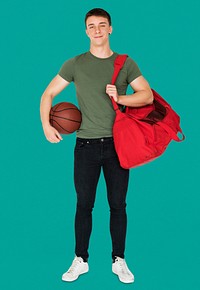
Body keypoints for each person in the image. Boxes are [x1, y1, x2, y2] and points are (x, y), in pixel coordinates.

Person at [40, 8, 153, 284]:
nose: (97, 30)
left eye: (102, 25)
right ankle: (81, 259)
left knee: (118, 204)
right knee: (84, 205)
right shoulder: (75, 64)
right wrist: (47, 126)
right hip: (85, 146)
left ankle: (119, 260)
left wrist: (121, 98)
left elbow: (147, 95)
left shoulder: (125, 64)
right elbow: (49, 93)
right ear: (86, 31)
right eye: (92, 26)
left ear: (110, 29)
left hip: (118, 146)